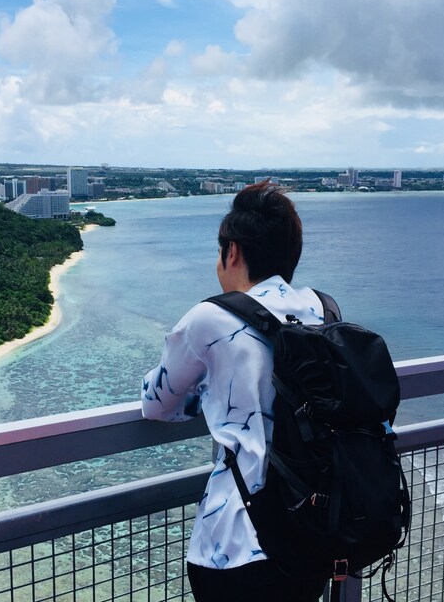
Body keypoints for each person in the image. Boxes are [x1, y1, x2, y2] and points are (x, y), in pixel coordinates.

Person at [141, 182, 327, 602]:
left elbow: (156, 404)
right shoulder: (321, 309)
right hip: (311, 532)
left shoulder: (210, 317)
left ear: (233, 252)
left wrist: (206, 394)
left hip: (237, 542)